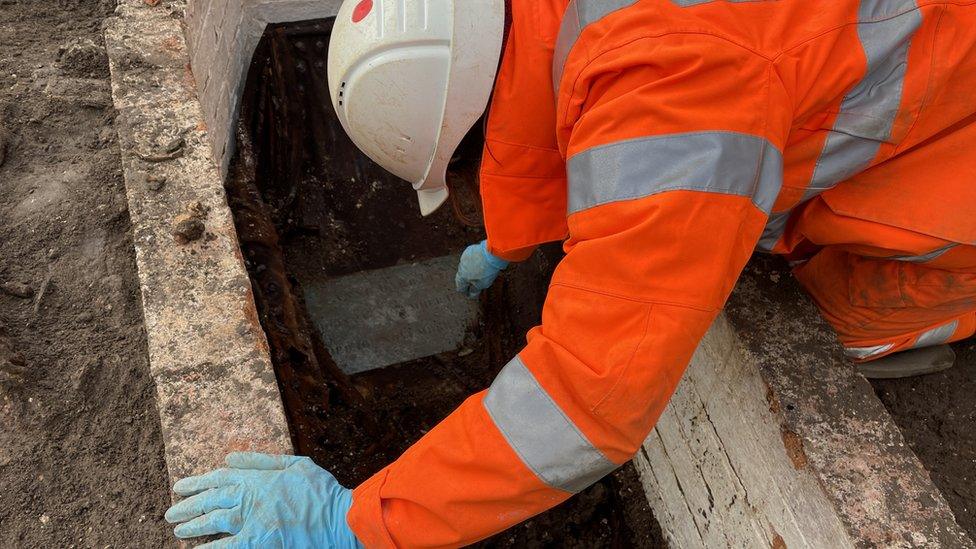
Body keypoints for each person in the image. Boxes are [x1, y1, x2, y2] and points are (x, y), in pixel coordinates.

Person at [165, 0, 976, 546]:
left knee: (831, 303)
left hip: (952, 132)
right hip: (871, 47)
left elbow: (588, 400)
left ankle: (925, 320)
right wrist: (516, 242)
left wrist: (357, 521)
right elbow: (575, 126)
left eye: (469, 166)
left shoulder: (671, 88)